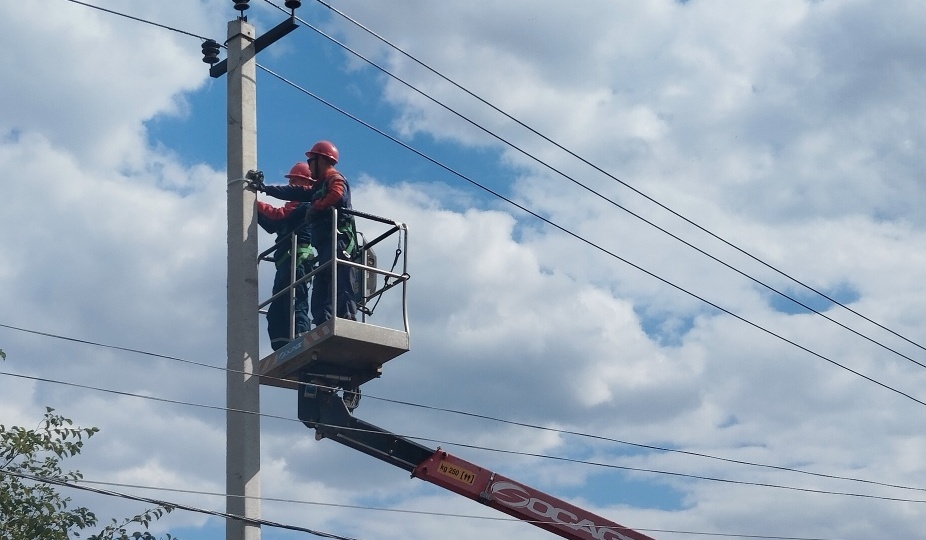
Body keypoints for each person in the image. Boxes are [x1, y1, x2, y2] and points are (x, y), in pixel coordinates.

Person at [254, 141, 358, 326]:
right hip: (326, 242)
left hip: (340, 240)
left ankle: (346, 318)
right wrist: (265, 189)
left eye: (311, 160)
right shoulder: (318, 188)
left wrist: (317, 207)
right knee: (322, 285)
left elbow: (337, 195)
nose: (309, 165)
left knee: (341, 280)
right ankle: (323, 322)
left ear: (321, 160)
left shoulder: (335, 178)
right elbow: (292, 192)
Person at [256, 162, 316, 350]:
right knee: (277, 309)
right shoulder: (294, 207)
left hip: (296, 261)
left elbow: (278, 215)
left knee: (296, 302)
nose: (291, 186)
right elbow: (272, 225)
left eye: (295, 181)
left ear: (306, 184)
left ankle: (301, 339)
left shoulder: (306, 204)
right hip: (285, 263)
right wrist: (253, 210)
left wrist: (252, 201)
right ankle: (281, 345)